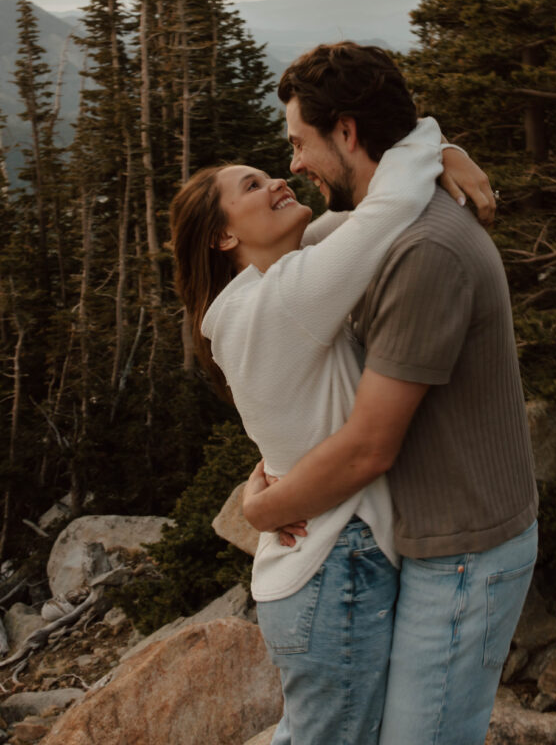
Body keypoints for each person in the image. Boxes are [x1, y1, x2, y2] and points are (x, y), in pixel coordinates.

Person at [242, 41, 539, 745]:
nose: (292, 165)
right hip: (432, 537)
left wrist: (262, 509)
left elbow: (370, 445)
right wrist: (438, 148)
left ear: (347, 132)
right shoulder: (377, 228)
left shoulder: (421, 250)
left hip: (465, 551)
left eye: (299, 142)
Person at [170, 99, 489, 745]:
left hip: (321, 568)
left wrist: (440, 150)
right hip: (333, 569)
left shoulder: (255, 292)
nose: (277, 179)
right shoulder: (280, 299)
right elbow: (388, 208)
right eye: (252, 186)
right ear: (223, 237)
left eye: (271, 170)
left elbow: (351, 214)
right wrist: (434, 137)